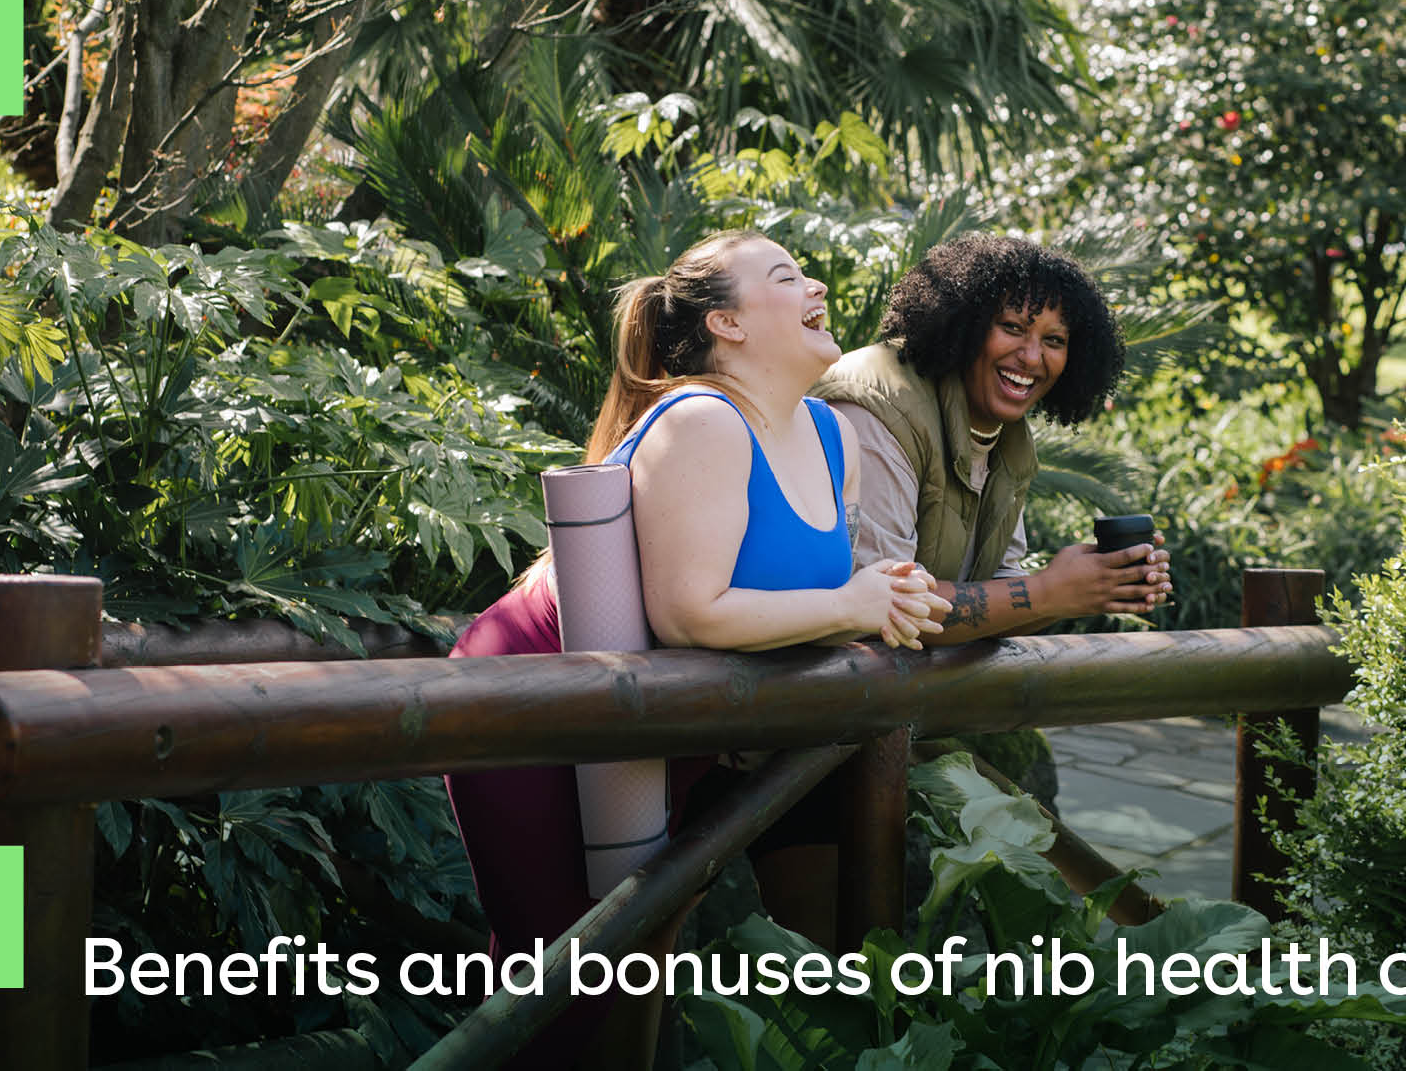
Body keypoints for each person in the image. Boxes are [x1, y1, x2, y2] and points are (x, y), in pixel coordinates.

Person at [445, 229, 948, 1069]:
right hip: (533, 696)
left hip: (664, 720)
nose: (815, 283)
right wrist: (850, 601)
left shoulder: (834, 438)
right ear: (729, 325)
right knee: (561, 981)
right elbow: (691, 613)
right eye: (786, 275)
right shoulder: (704, 420)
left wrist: (885, 597)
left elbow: (805, 601)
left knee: (638, 961)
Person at [810, 234, 1172, 643]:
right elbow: (886, 608)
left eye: (1054, 341)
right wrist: (1048, 592)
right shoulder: (877, 405)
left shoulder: (1004, 433)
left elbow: (998, 597)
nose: (1032, 357)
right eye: (1013, 328)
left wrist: (1089, 587)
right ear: (965, 325)